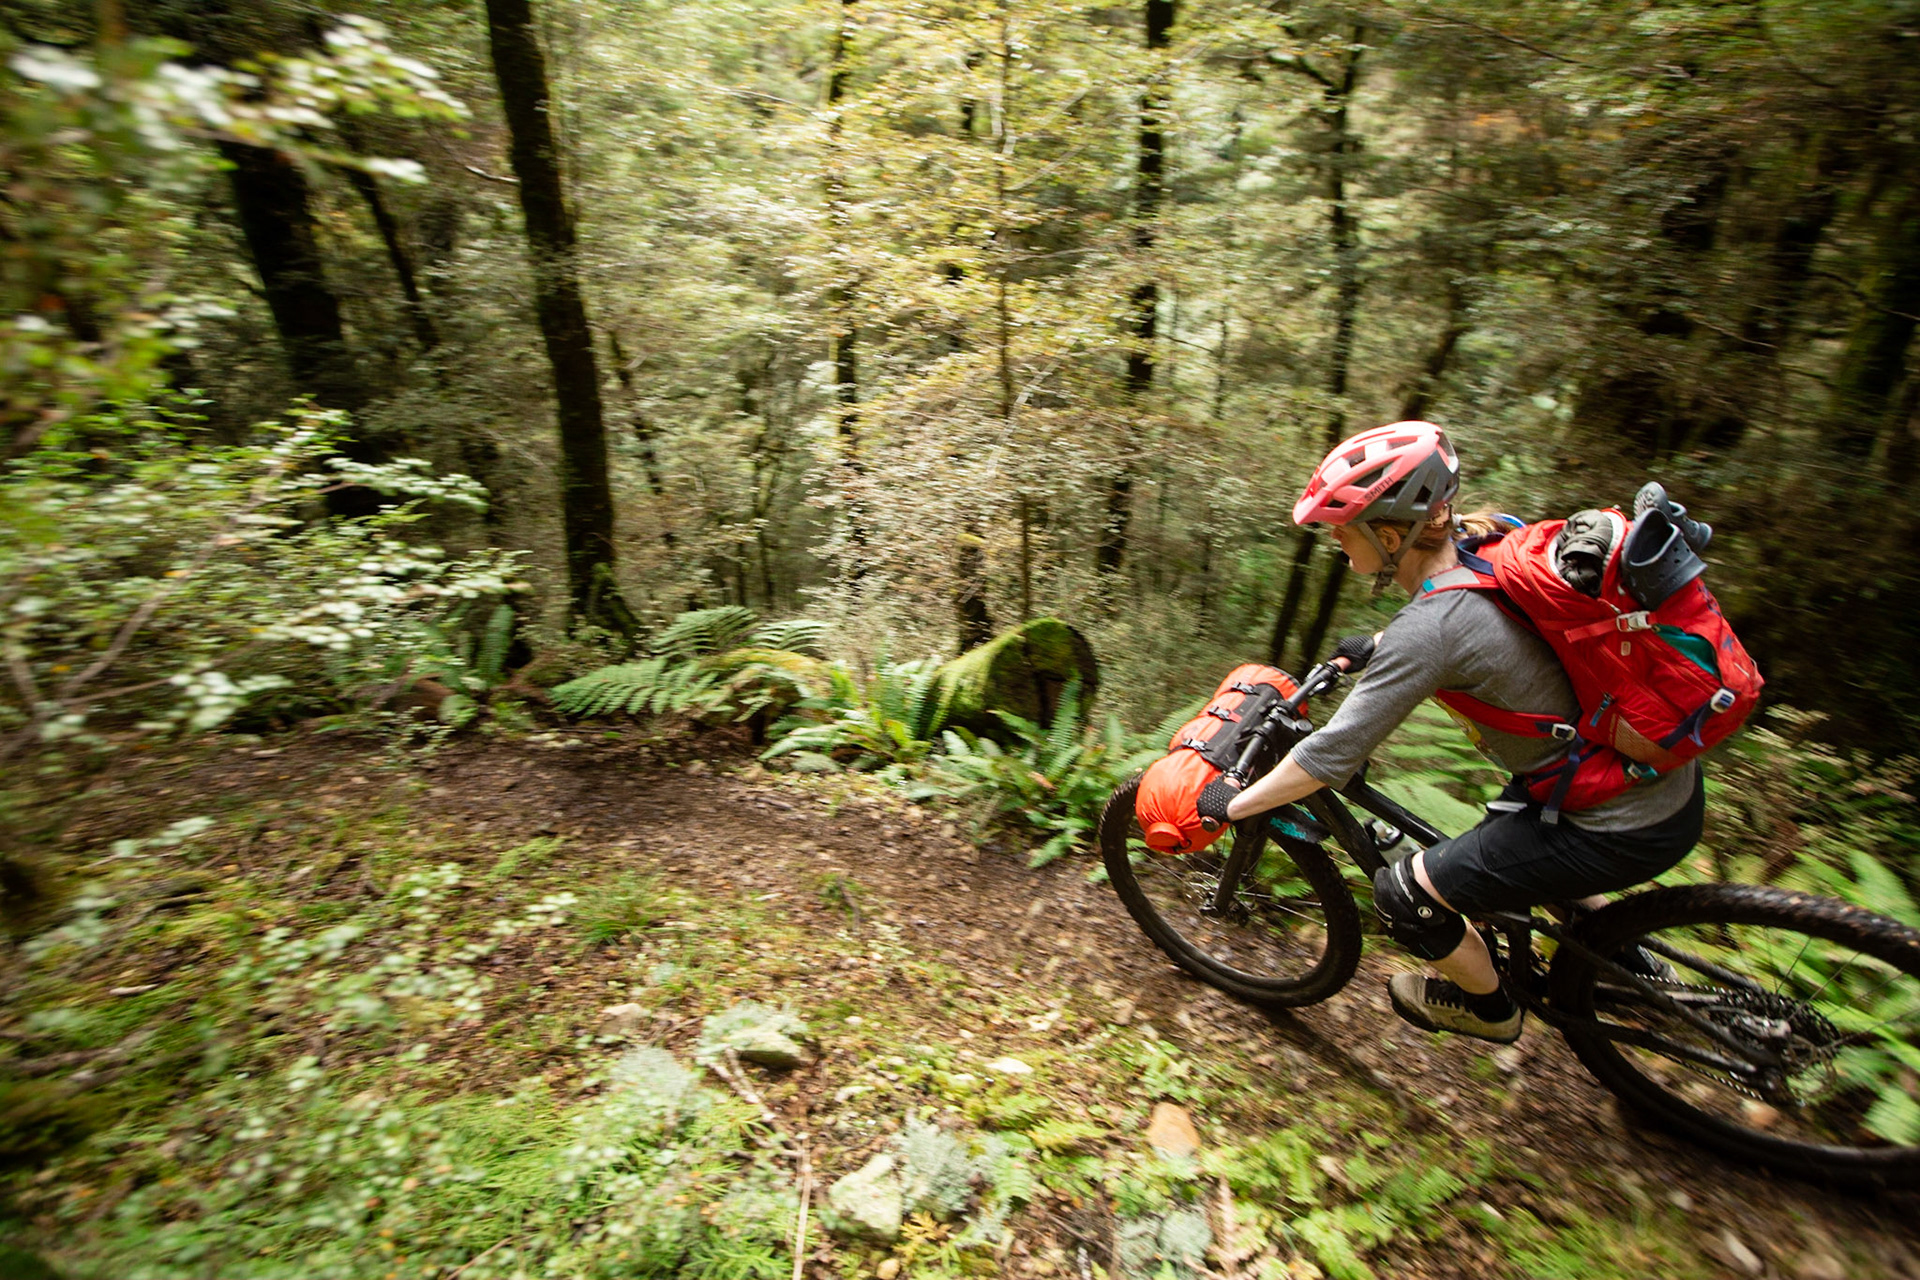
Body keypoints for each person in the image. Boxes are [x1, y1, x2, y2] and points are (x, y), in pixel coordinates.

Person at [1198, 421, 1704, 1044]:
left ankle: (1492, 1013)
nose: (1334, 539)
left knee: (1402, 894)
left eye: (1342, 528)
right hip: (1651, 778)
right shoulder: (1495, 539)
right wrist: (1380, 645)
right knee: (1513, 852)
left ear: (1389, 537)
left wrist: (1233, 803)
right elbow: (1479, 625)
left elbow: (1329, 756)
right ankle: (1633, 966)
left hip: (1618, 823)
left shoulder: (1429, 631)